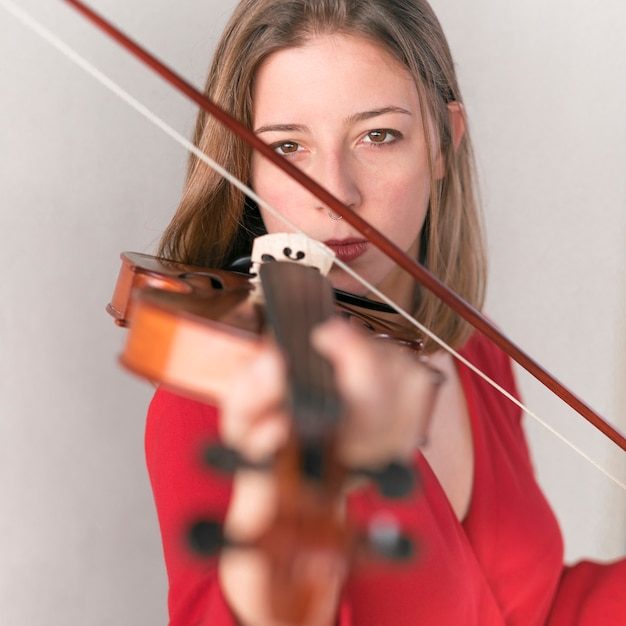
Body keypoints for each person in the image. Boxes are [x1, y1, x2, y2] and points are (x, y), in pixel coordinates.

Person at [144, 1, 625, 624]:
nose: (337, 194)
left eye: (378, 135)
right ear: (245, 168)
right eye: (289, 146)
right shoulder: (214, 396)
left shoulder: (478, 352)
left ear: (444, 142)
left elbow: (527, 607)